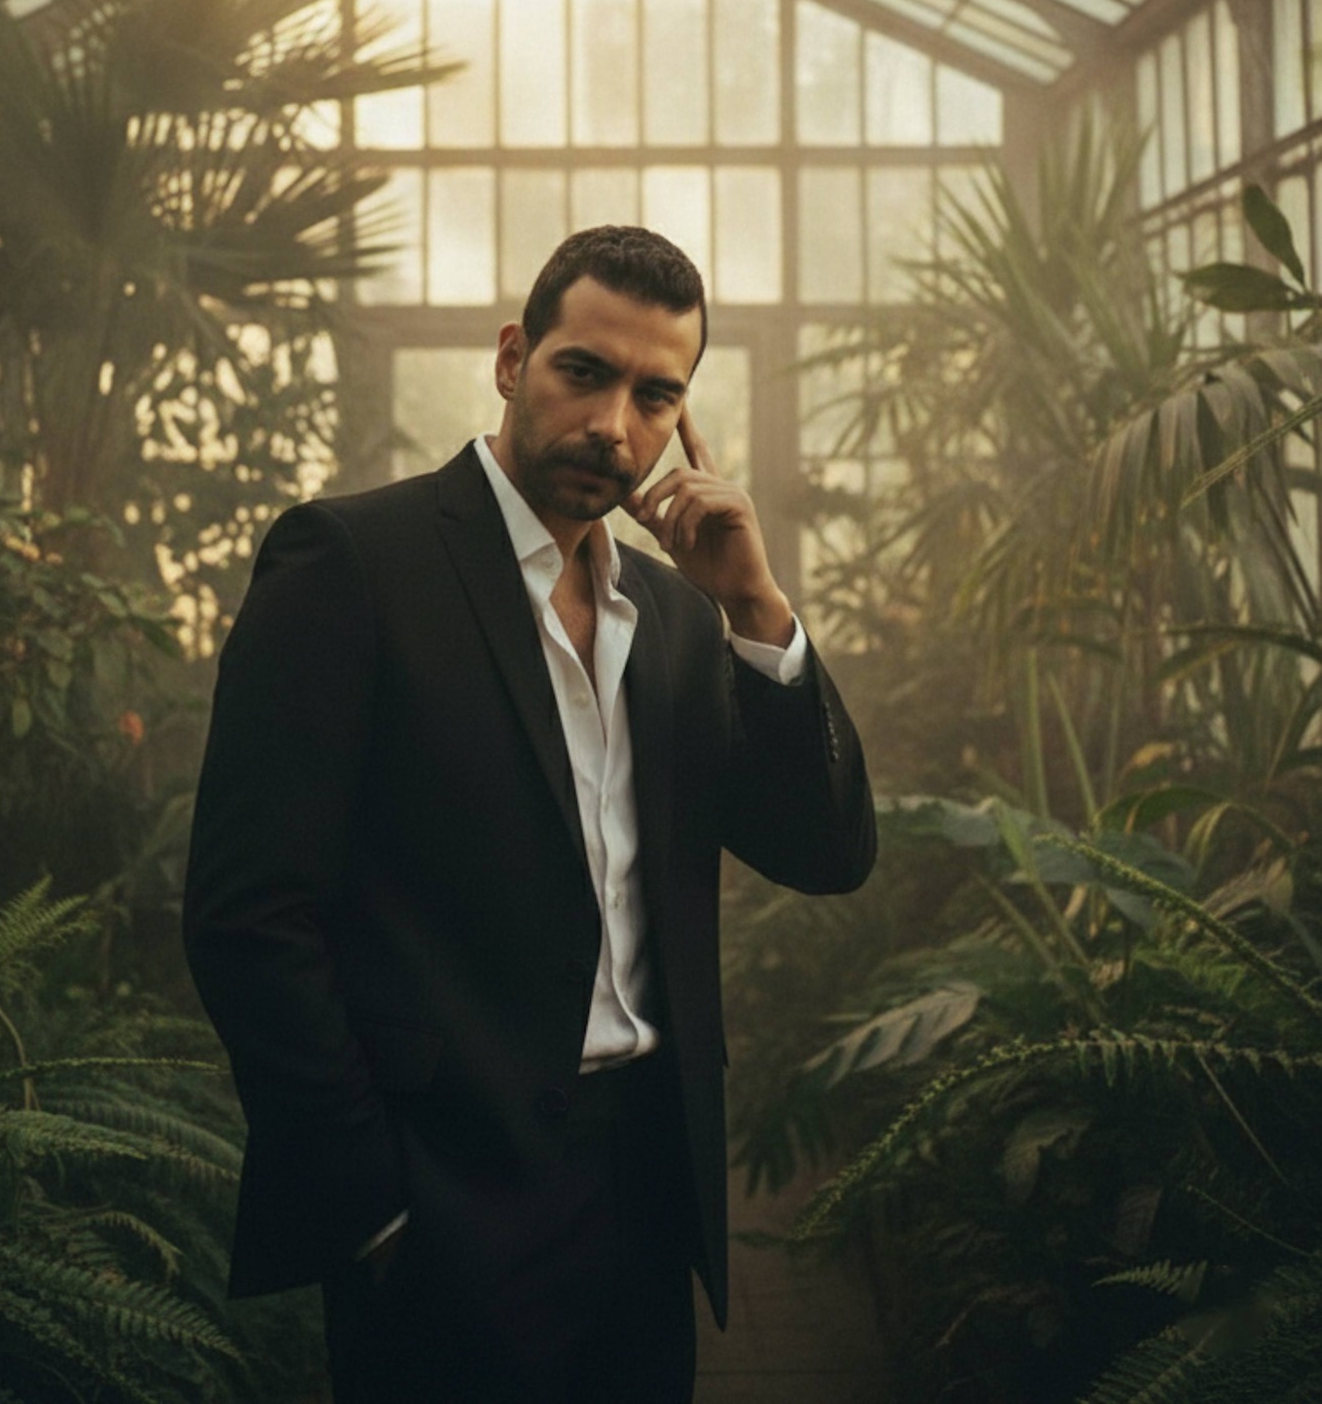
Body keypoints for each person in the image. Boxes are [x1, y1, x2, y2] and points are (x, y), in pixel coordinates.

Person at [184, 225, 875, 1403]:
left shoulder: (668, 612)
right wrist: (372, 1203)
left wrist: (756, 607)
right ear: (513, 358)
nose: (615, 423)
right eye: (584, 372)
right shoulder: (350, 561)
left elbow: (825, 850)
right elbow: (251, 912)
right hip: (441, 1200)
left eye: (657, 394)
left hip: (648, 1195)